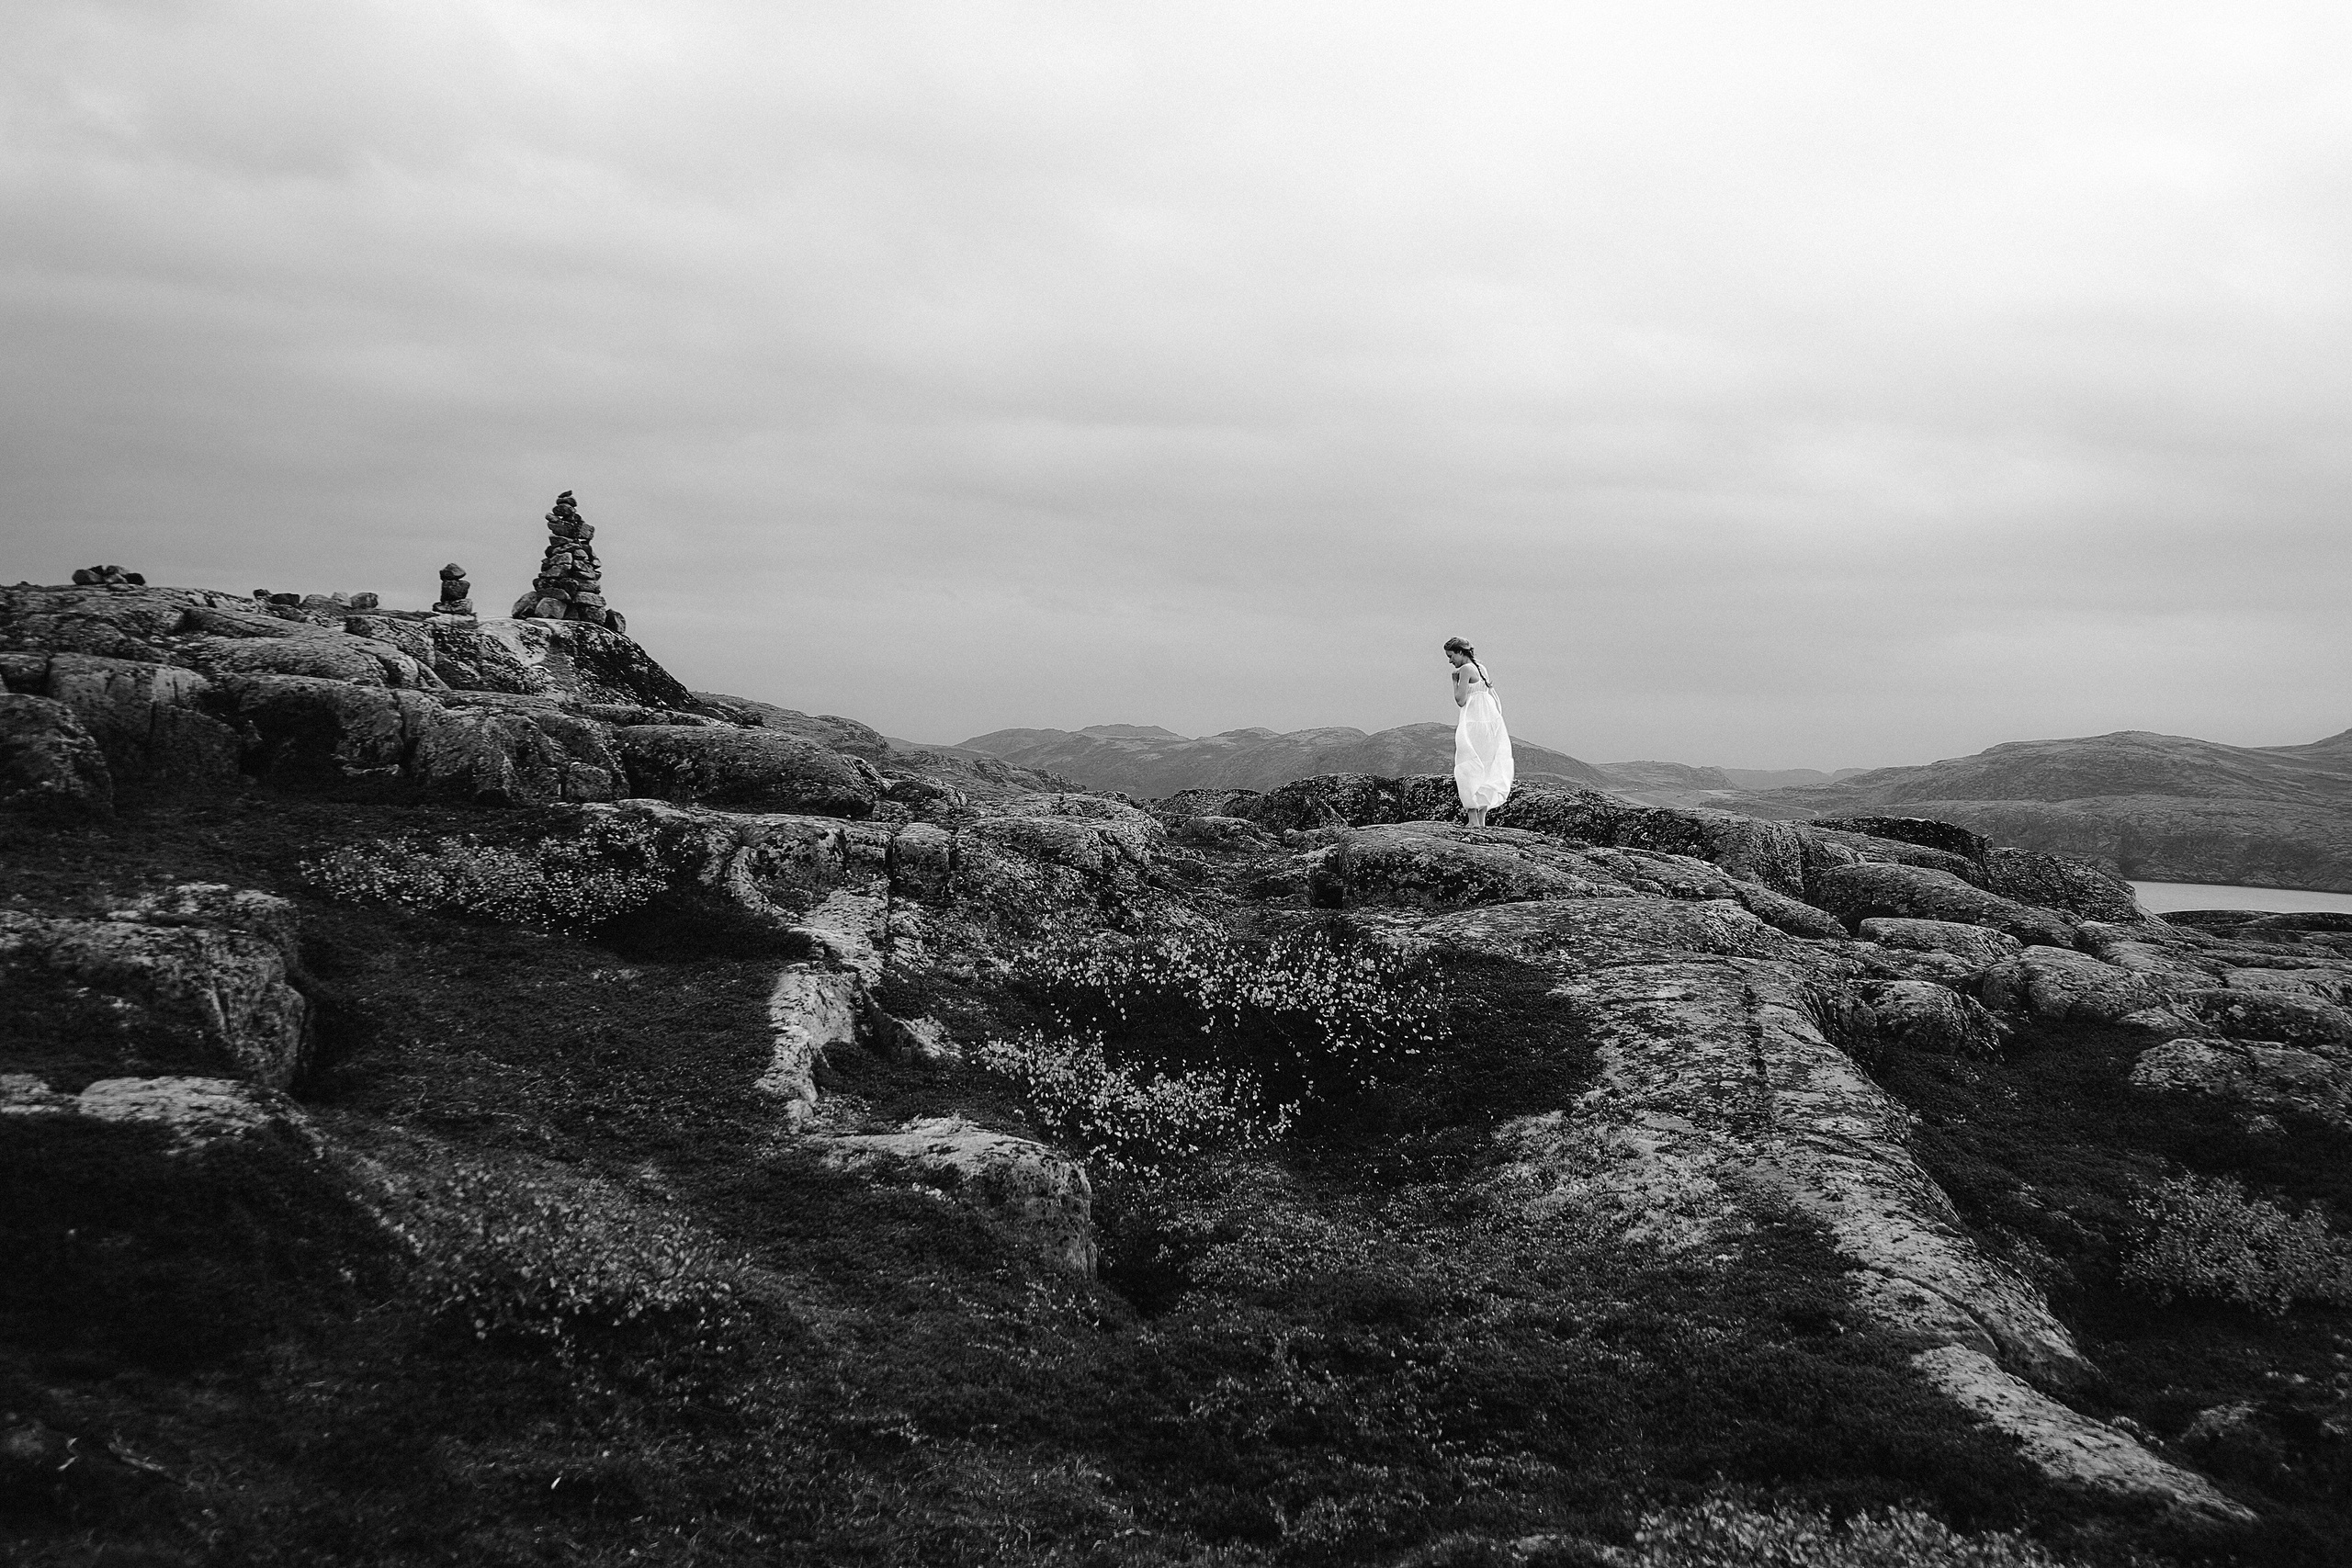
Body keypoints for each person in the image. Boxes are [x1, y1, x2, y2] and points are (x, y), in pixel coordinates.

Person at [1446, 637, 1513, 827]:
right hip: (1488, 721)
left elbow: (1460, 700)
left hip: (1473, 721)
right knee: (1486, 766)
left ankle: (1473, 820)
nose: (1450, 661)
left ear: (1460, 652)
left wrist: (1454, 681)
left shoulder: (1465, 670)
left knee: (1468, 765)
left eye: (1451, 656)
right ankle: (1482, 818)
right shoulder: (1481, 668)